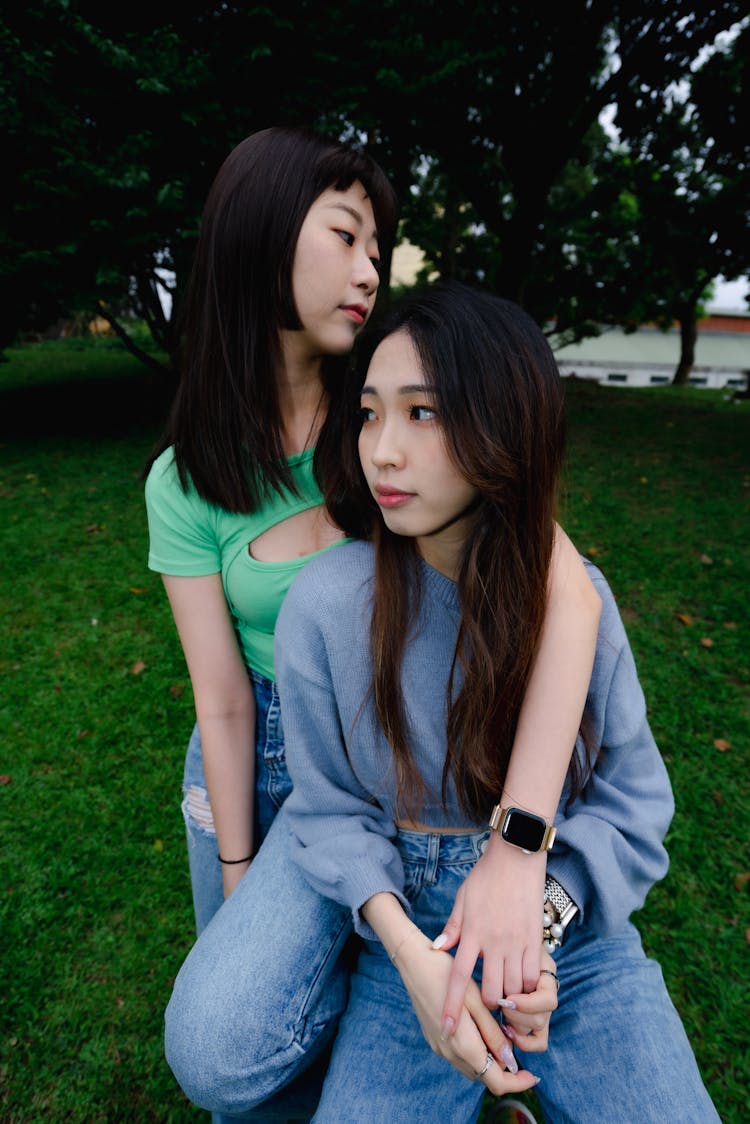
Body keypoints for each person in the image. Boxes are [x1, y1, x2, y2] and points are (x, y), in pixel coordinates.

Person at [151, 127, 601, 1120]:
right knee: (238, 1046)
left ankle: (422, 1034)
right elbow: (223, 700)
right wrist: (236, 860)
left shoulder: (401, 417)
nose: (370, 271)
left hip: (394, 746)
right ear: (263, 239)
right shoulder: (183, 480)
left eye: (377, 247)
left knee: (378, 973)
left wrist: (523, 843)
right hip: (249, 761)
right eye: (347, 235)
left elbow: (569, 590)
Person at [266, 281, 721, 1121]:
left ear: (500, 424)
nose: (383, 452)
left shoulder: (575, 602)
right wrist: (412, 953)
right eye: (369, 413)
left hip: (574, 954)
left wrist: (536, 935)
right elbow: (326, 810)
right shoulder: (326, 605)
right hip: (409, 950)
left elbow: (632, 800)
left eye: (423, 413)